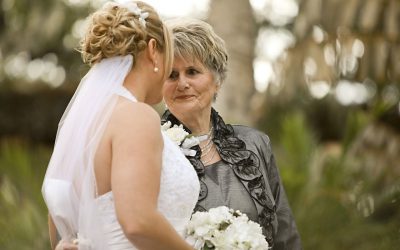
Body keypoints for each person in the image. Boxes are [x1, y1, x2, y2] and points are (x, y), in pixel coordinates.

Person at [42, 1, 199, 250]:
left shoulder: (86, 123)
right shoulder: (136, 116)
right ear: (152, 50)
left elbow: (62, 227)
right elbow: (138, 222)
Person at [161, 18, 302, 249]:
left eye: (192, 71)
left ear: (217, 81)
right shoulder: (151, 149)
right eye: (172, 75)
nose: (182, 83)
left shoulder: (254, 143)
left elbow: (285, 232)